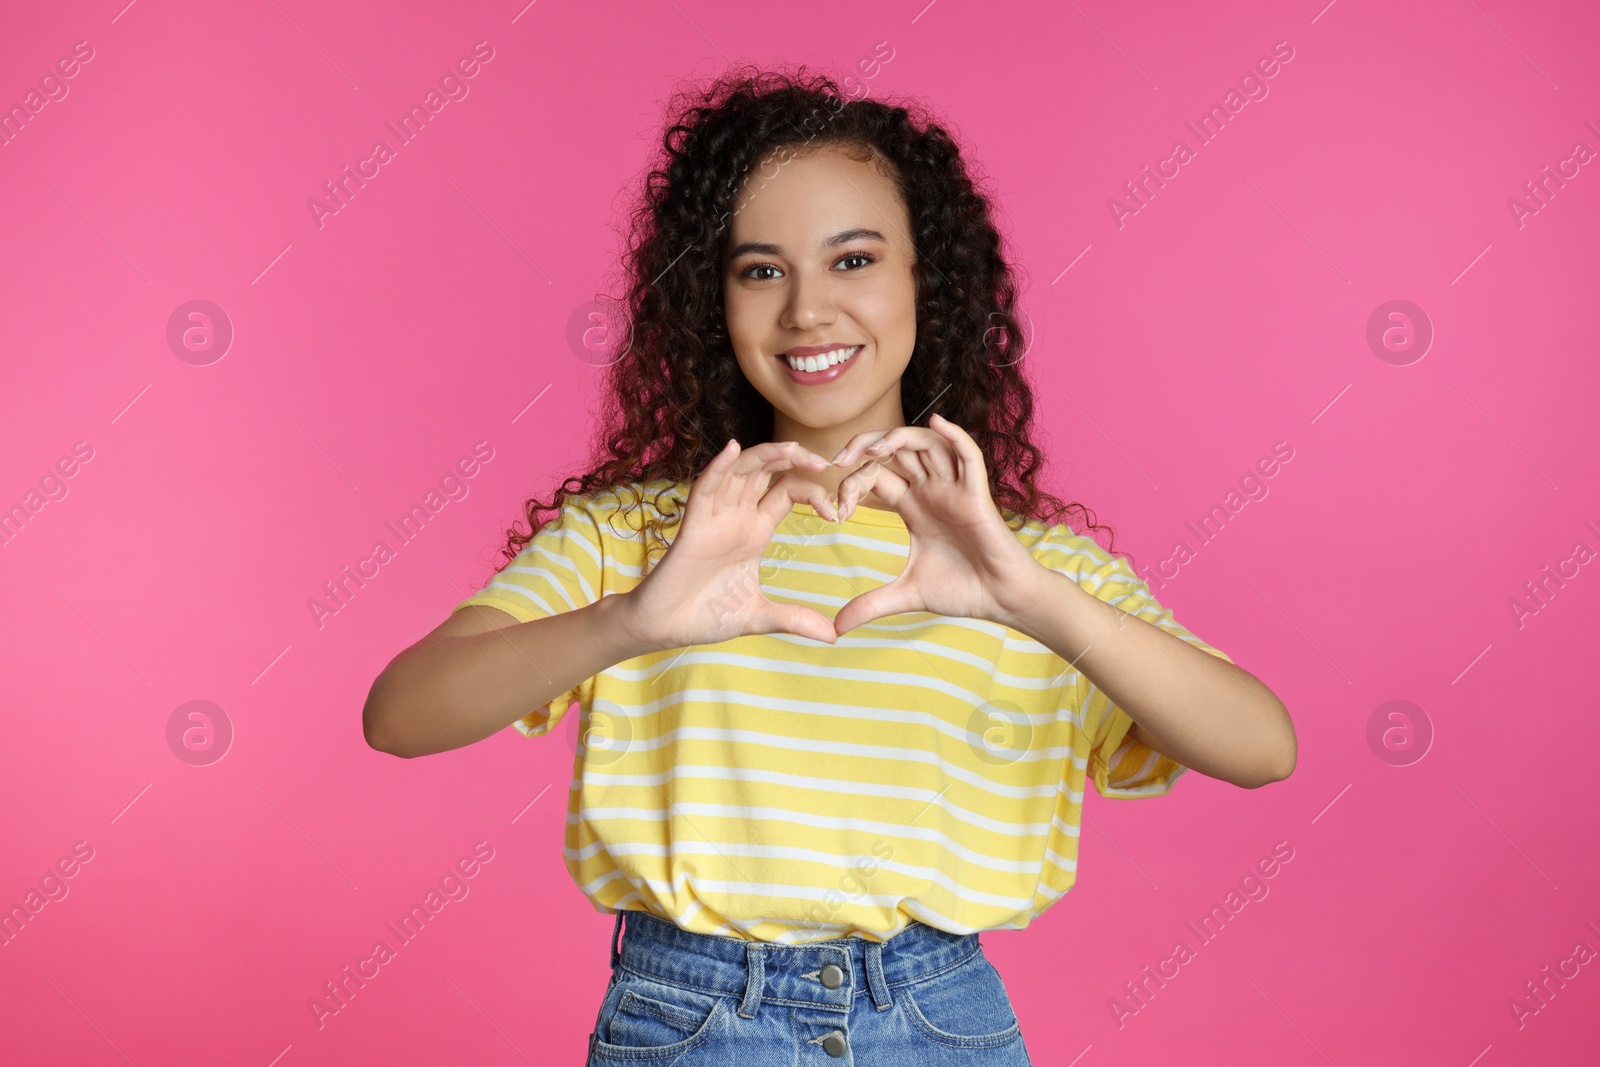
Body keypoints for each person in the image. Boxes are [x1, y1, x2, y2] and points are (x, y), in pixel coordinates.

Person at [363, 65, 1296, 1065]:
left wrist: (1032, 600)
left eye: (852, 260)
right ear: (710, 302)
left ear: (923, 280)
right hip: (691, 1020)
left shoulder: (1025, 563)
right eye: (760, 270)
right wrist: (631, 619)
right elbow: (400, 713)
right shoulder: (634, 541)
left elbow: (1260, 744)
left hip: (941, 1021)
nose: (807, 310)